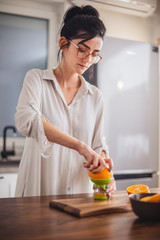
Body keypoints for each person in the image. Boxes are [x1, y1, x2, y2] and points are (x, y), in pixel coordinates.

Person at [14, 5, 116, 197]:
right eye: (83, 49)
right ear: (63, 43)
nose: (88, 59)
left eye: (95, 54)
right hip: (38, 194)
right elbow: (26, 120)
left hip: (78, 197)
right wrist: (80, 146)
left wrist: (102, 163)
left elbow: (98, 145)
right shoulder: (36, 79)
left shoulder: (95, 97)